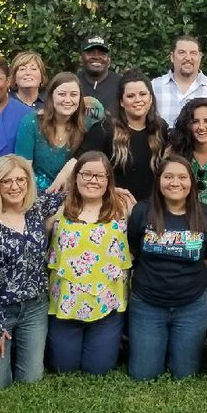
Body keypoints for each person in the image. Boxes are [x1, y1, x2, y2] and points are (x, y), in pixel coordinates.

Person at [126, 154, 207, 380]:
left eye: (182, 177)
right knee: (143, 375)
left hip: (190, 306)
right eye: (168, 176)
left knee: (185, 375)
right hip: (148, 305)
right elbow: (133, 250)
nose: (175, 182)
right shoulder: (142, 212)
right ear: (159, 181)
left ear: (191, 182)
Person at [0, 154, 65, 389]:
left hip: (34, 307)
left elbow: (76, 191)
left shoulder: (35, 209)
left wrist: (117, 191)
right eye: (7, 181)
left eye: (21, 180)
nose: (15, 187)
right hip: (1, 311)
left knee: (31, 379)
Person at [46, 151, 132, 374]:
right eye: (86, 174)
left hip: (106, 304)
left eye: (100, 176)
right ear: (75, 177)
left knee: (99, 369)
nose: (93, 180)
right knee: (63, 367)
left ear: (108, 181)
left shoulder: (123, 208)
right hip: (66, 304)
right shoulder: (58, 209)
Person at [80, 71, 170, 204]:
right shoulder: (105, 129)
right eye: (130, 96)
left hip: (151, 208)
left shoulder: (160, 128)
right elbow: (80, 163)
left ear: (151, 98)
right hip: (114, 206)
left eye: (143, 94)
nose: (138, 100)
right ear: (121, 102)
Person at [14, 72, 92, 192]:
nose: (68, 100)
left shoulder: (87, 125)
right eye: (62, 94)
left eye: (73, 95)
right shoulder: (31, 122)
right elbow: (23, 169)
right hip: (35, 193)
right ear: (51, 96)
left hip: (73, 195)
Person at [152, 35, 207, 126]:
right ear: (172, 57)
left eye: (193, 53)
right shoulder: (154, 87)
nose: (188, 58)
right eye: (182, 52)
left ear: (200, 57)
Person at [76, 36, 123, 117]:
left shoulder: (121, 84)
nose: (96, 57)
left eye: (102, 53)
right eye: (90, 53)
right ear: (81, 58)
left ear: (109, 60)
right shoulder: (72, 83)